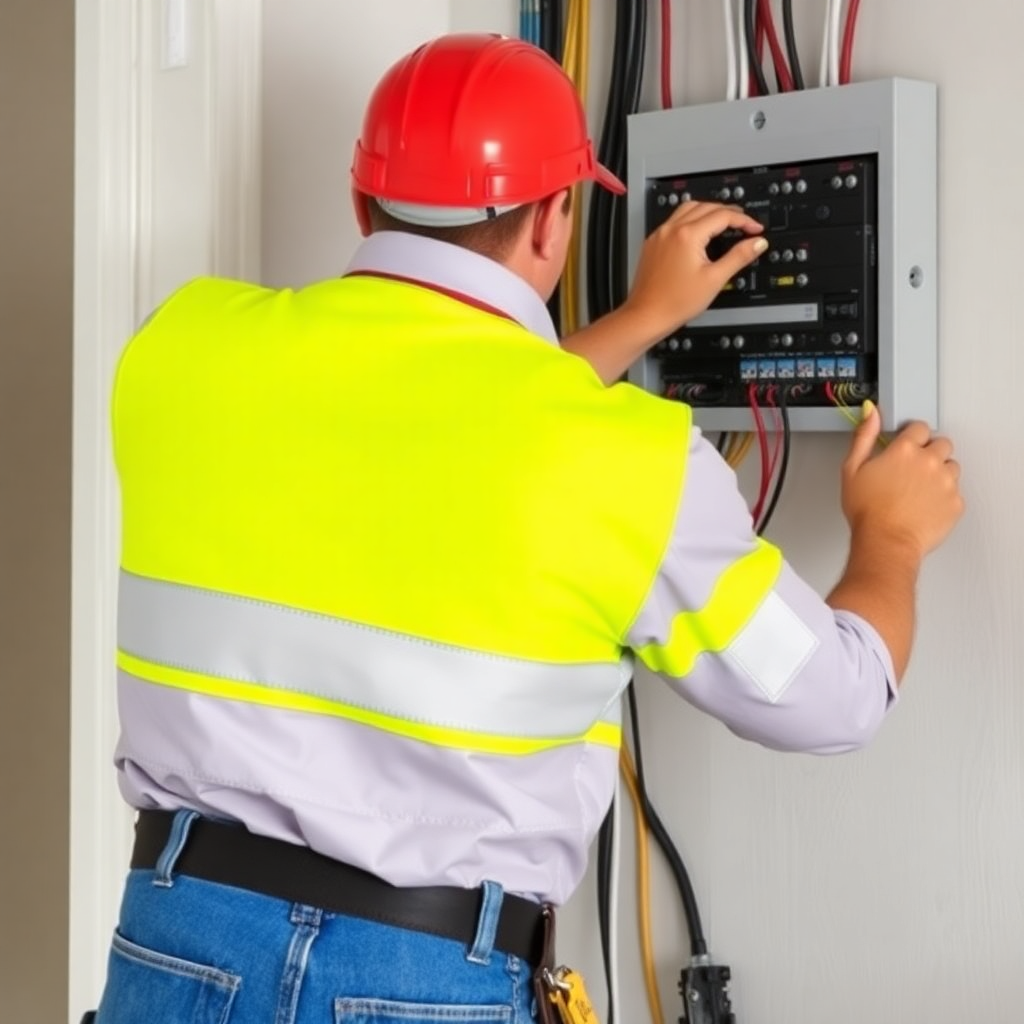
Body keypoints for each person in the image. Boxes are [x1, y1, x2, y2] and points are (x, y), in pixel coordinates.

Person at [92, 32, 963, 1024]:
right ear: (555, 219)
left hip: (176, 941)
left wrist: (640, 320)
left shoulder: (181, 348)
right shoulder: (626, 461)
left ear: (359, 198)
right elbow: (833, 698)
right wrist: (888, 537)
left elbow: (428, 420)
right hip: (422, 979)